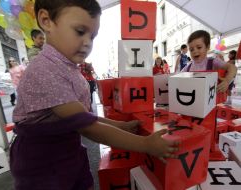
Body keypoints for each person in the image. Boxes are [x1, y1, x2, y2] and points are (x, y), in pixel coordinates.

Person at [10, 1, 179, 190]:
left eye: (93, 36)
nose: (87, 42)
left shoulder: (66, 66)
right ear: (46, 21)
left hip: (67, 150)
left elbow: (84, 116)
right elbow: (88, 126)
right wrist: (146, 144)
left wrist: (119, 125)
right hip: (41, 162)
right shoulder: (44, 70)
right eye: (80, 31)